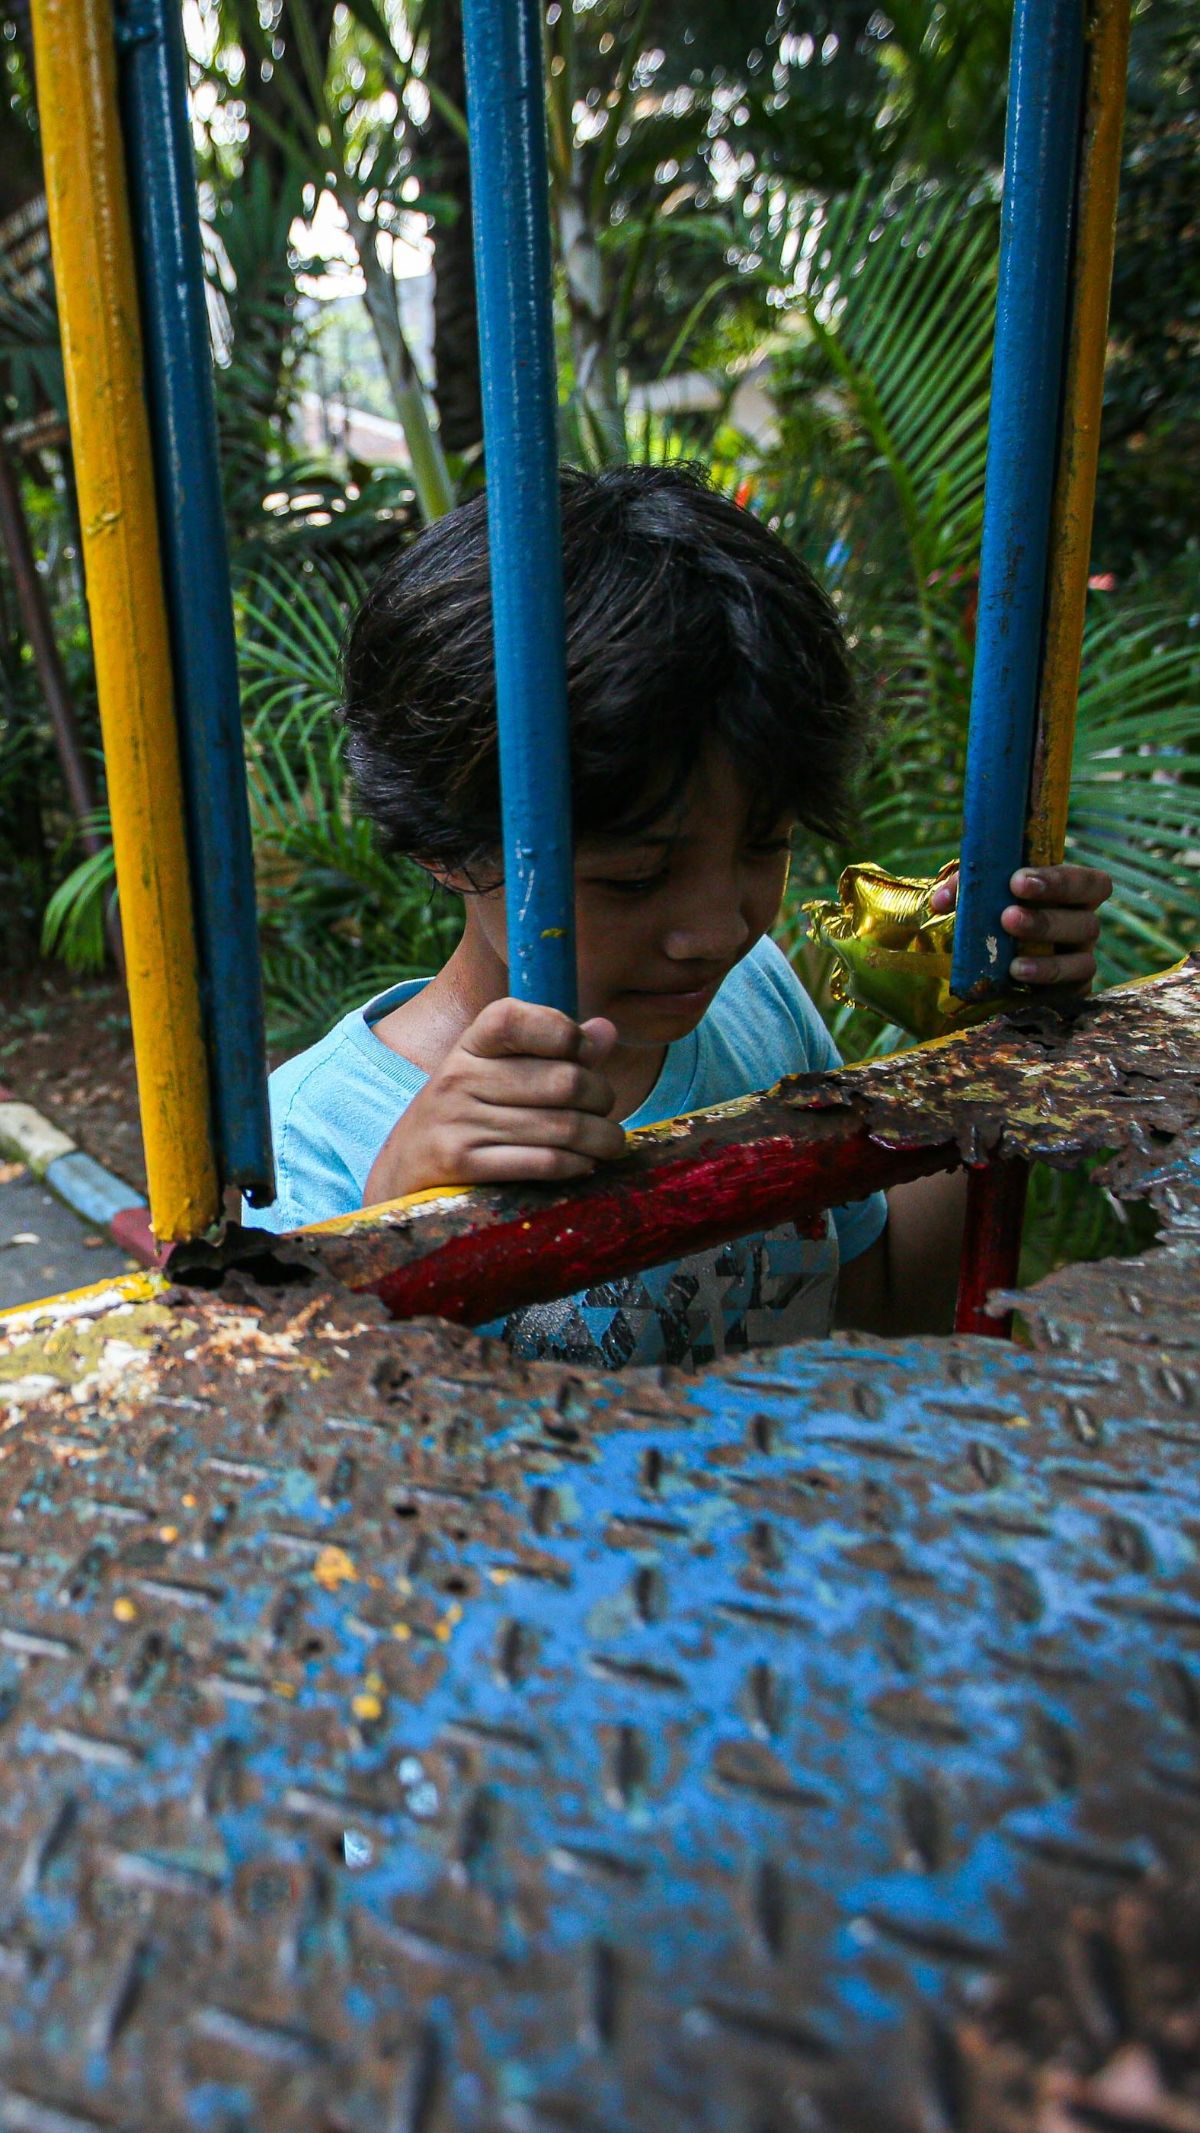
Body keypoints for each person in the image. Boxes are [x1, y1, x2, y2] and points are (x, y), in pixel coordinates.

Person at [244, 464, 1111, 1367]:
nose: (717, 930)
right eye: (634, 876)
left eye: (763, 844)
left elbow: (884, 1310)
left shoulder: (757, 1002)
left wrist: (984, 1048)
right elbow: (330, 1478)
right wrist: (395, 1240)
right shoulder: (313, 1145)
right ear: (443, 845)